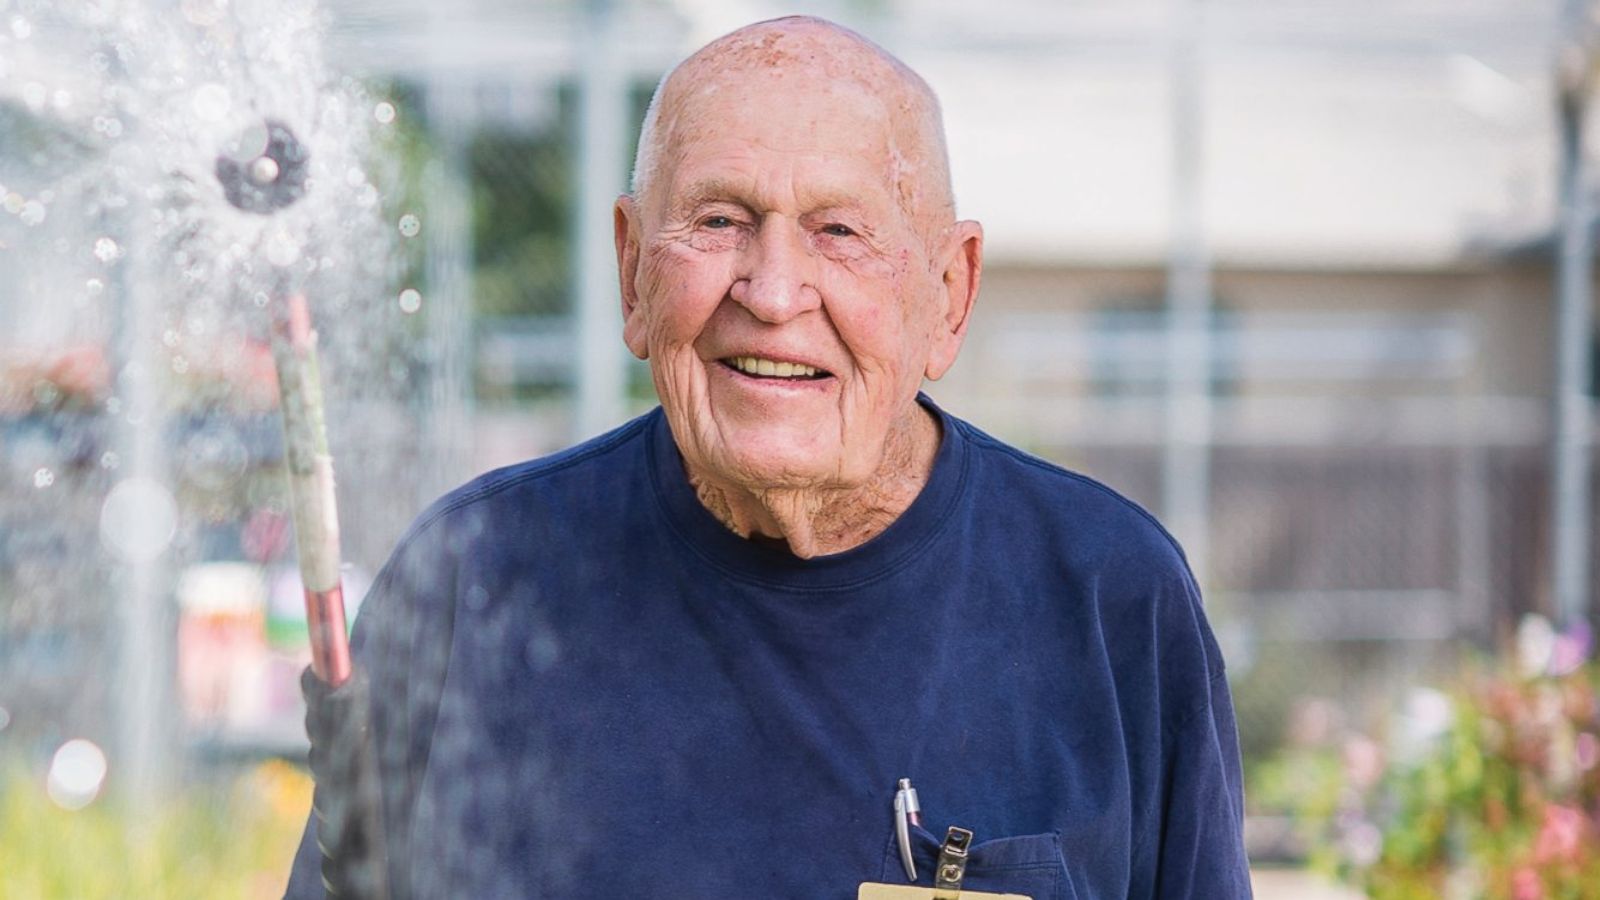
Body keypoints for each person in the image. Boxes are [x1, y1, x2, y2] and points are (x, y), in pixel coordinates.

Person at [286, 16, 1251, 899]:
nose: (776, 290)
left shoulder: (1109, 597)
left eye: (840, 230)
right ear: (631, 270)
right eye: (719, 221)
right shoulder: (474, 580)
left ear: (949, 296)